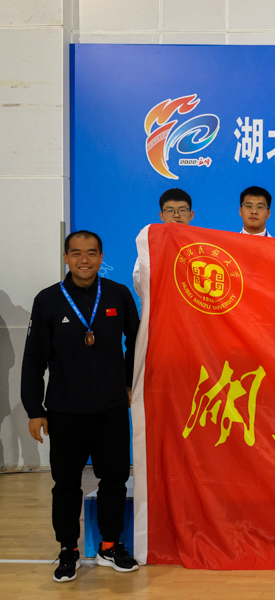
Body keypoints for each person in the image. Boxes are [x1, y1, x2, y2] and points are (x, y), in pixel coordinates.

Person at [21, 231, 141, 582]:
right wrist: (34, 409)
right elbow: (33, 359)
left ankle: (110, 546)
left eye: (91, 253)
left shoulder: (118, 294)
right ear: (66, 257)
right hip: (65, 410)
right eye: (76, 253)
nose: (84, 260)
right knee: (66, 484)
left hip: (111, 407)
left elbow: (137, 342)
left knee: (115, 480)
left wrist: (129, 381)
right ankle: (68, 549)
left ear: (101, 257)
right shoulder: (48, 300)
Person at [132, 188, 194, 291]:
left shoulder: (203, 245)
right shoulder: (152, 245)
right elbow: (141, 287)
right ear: (161, 216)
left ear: (191, 214)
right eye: (170, 211)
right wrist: (154, 245)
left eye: (182, 210)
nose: (176, 215)